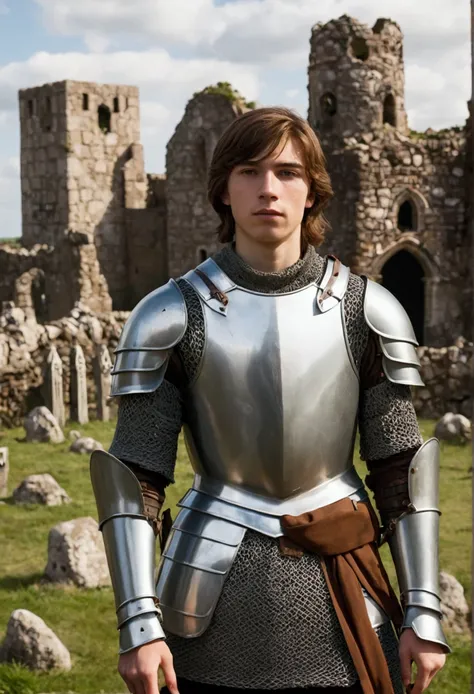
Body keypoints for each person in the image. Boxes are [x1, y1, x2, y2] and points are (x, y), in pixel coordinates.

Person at [90, 107, 449, 694]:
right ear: (223, 191)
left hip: (346, 592)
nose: (268, 189)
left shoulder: (368, 310)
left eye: (287, 172)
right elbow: (136, 477)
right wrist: (138, 622)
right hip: (204, 600)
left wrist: (424, 610)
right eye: (249, 172)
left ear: (312, 192)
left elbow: (399, 470)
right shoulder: (169, 315)